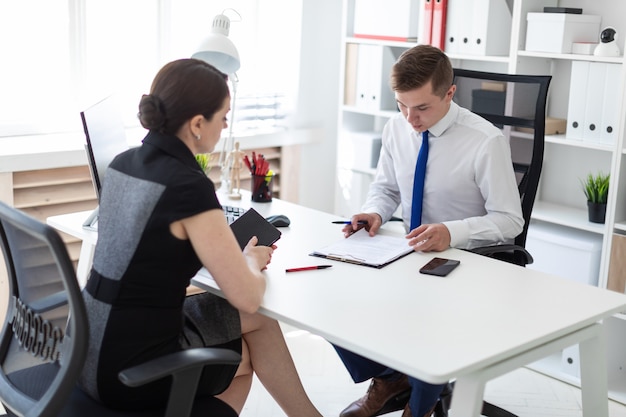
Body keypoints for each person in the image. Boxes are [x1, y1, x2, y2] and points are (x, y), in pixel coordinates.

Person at [78, 58, 323, 417]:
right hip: (129, 371)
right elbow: (248, 298)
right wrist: (250, 262)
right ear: (196, 124)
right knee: (253, 335)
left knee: (250, 337)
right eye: (223, 117)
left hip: (88, 347)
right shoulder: (188, 187)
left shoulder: (122, 163)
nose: (225, 126)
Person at [334, 45, 524, 417]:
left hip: (468, 261)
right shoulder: (396, 127)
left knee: (430, 314)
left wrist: (451, 233)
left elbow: (509, 221)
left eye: (422, 108)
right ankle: (391, 379)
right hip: (411, 252)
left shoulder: (485, 141)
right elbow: (387, 188)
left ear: (450, 93)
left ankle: (419, 407)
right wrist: (374, 212)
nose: (410, 118)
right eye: (402, 105)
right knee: (332, 293)